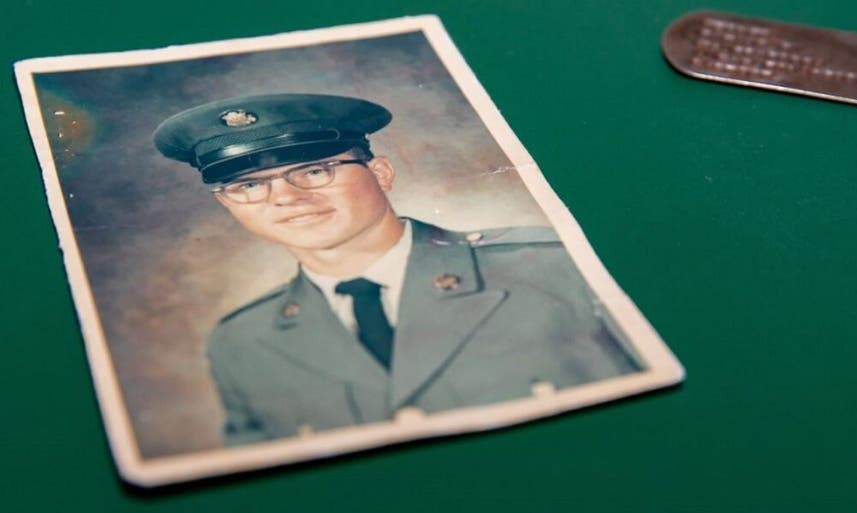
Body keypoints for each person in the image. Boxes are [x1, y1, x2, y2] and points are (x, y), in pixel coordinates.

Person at [154, 93, 642, 445]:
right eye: (246, 185)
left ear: (381, 174)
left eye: (314, 171)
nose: (284, 198)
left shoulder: (549, 265)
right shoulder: (242, 345)